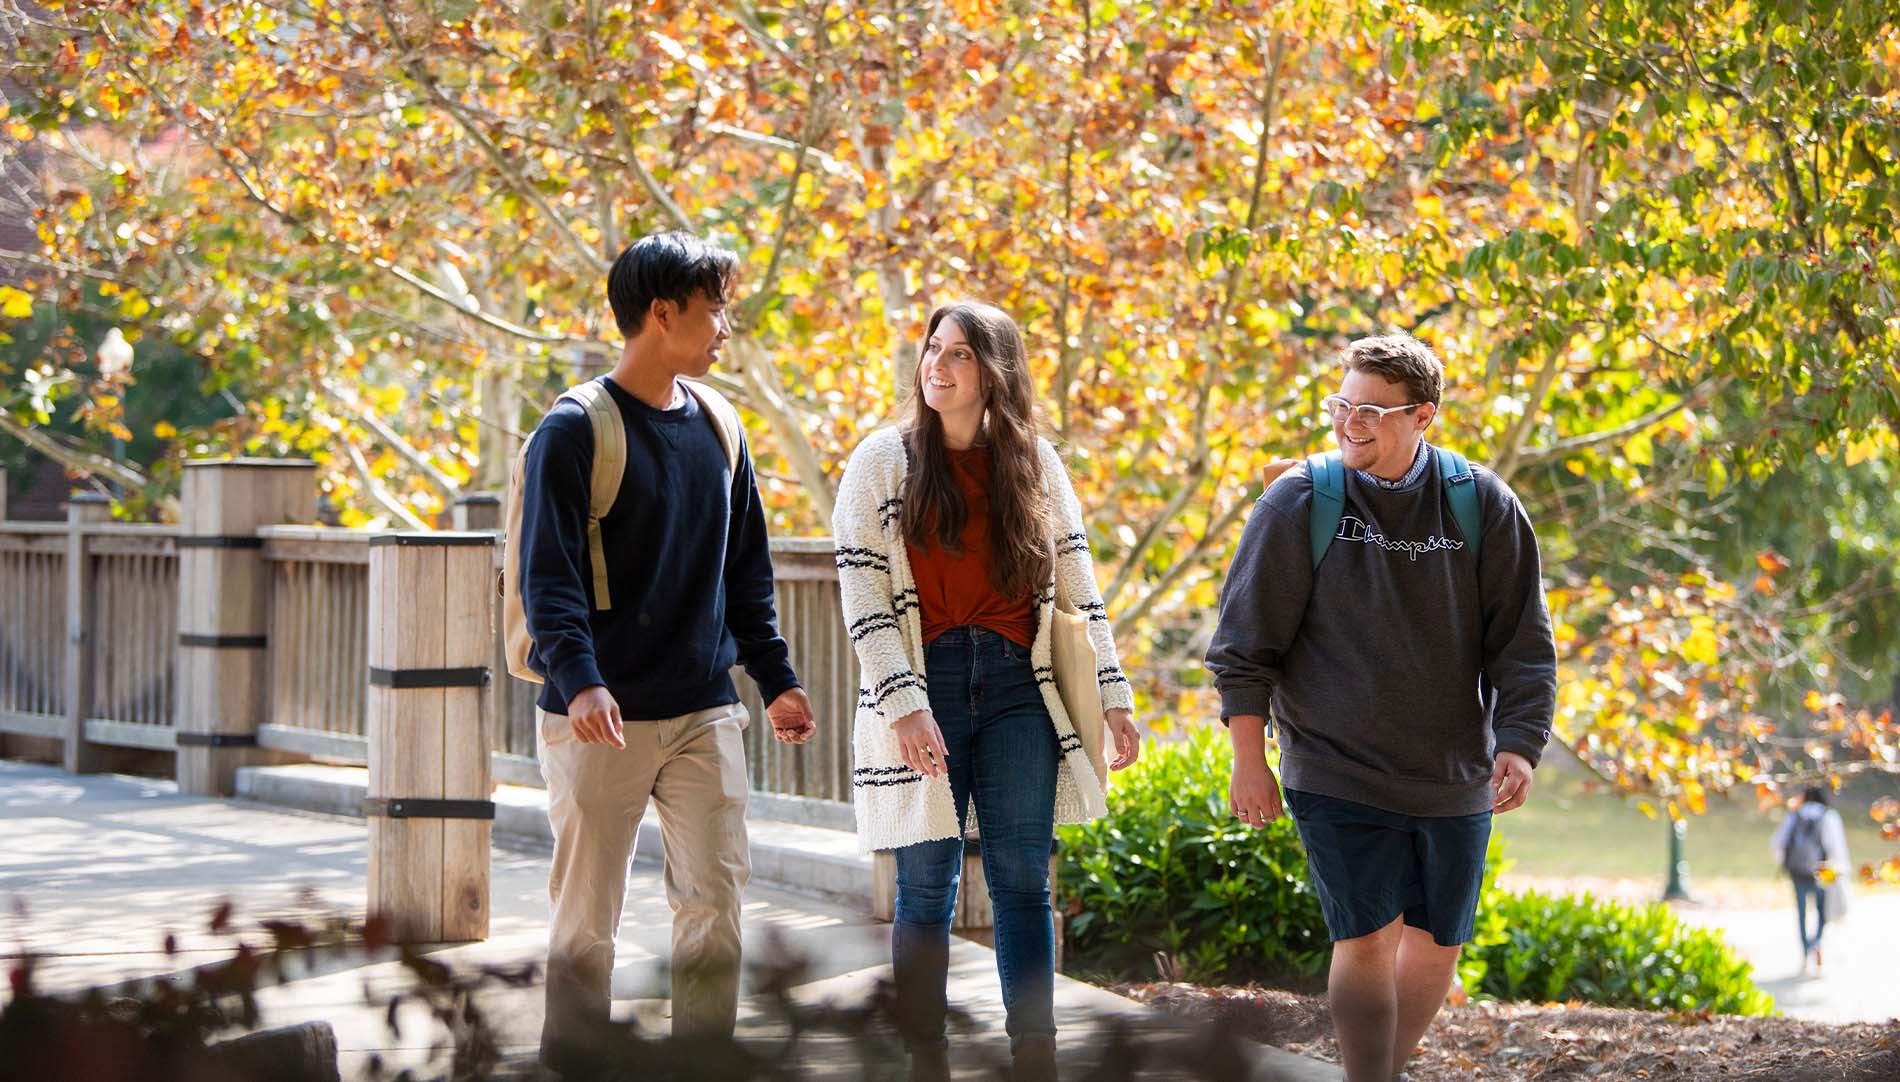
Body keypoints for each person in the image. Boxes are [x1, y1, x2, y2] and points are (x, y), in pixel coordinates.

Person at [1205, 333, 1558, 1082]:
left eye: (1370, 410)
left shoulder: (1482, 502)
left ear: (1422, 415)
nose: (1348, 422)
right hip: (1335, 764)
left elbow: (1524, 641)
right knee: (1368, 933)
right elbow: (1244, 644)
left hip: (1451, 768)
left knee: (1437, 941)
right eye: (1342, 405)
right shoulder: (1300, 499)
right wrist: (1250, 758)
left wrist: (1520, 742)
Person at [516, 232, 817, 1068]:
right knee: (586, 920)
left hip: (702, 708)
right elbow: (550, 577)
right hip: (598, 718)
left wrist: (776, 680)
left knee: (715, 902)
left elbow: (745, 572)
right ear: (662, 312)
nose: (726, 326)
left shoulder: (721, 426)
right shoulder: (573, 431)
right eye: (715, 307)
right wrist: (579, 683)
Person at [833, 301, 1142, 1082]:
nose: (937, 364)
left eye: (960, 354)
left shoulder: (1035, 462)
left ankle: (1034, 1054)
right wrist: (903, 707)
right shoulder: (883, 459)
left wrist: (1114, 696)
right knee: (927, 884)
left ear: (993, 372)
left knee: (1019, 881)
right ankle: (924, 1058)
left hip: (1017, 689)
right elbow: (863, 592)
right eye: (933, 348)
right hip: (925, 683)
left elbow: (1078, 584)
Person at [1770, 784, 1851, 974]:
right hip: (1820, 871)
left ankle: (1806, 952)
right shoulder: (1828, 816)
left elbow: (1777, 843)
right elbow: (1836, 848)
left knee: (1802, 913)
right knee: (1822, 912)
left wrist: (1786, 862)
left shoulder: (1795, 814)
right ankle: (1817, 943)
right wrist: (1838, 870)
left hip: (1797, 872)